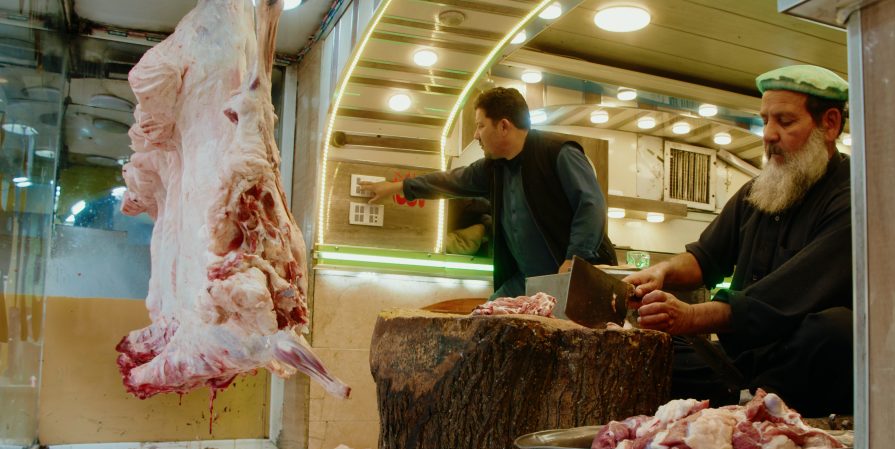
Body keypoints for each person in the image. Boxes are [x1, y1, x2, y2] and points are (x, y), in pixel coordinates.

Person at [625, 65, 853, 416]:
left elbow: (784, 299)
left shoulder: (851, 197)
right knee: (655, 346)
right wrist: (662, 272)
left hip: (798, 362)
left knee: (837, 330)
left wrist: (689, 315)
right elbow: (704, 258)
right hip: (739, 364)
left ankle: (752, 407)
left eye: (785, 122)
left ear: (830, 124)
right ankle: (740, 403)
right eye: (765, 121)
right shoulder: (756, 192)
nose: (769, 135)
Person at [358, 87, 617, 298]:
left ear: (503, 126)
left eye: (480, 126)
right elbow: (450, 181)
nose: (476, 135)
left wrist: (575, 259)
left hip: (577, 279)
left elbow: (591, 203)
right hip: (528, 282)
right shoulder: (494, 169)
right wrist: (398, 187)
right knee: (482, 321)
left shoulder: (558, 152)